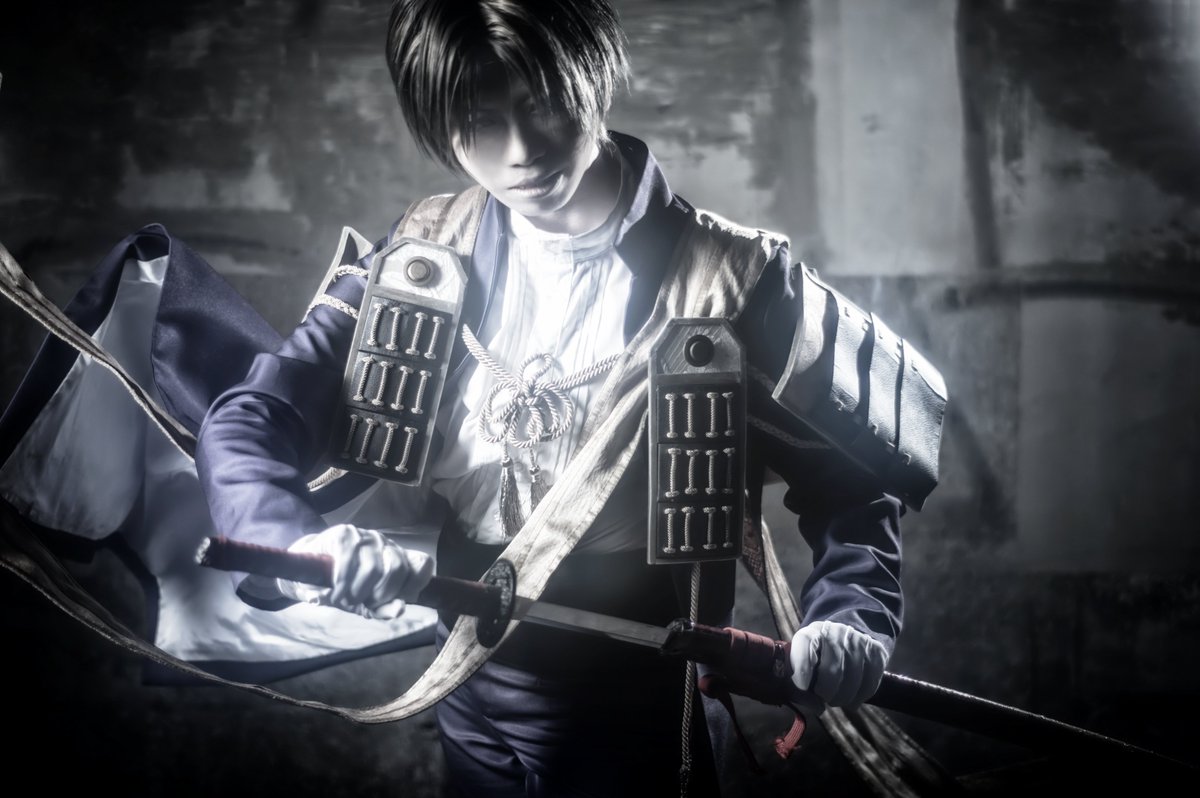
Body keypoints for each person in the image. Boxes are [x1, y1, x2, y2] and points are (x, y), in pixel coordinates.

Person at [196, 0, 924, 795]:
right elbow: (253, 417)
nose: (522, 151)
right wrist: (303, 546)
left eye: (541, 103)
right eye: (480, 121)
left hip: (637, 690)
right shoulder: (420, 253)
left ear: (593, 70)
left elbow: (853, 484)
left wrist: (850, 614)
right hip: (462, 675)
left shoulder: (737, 281)